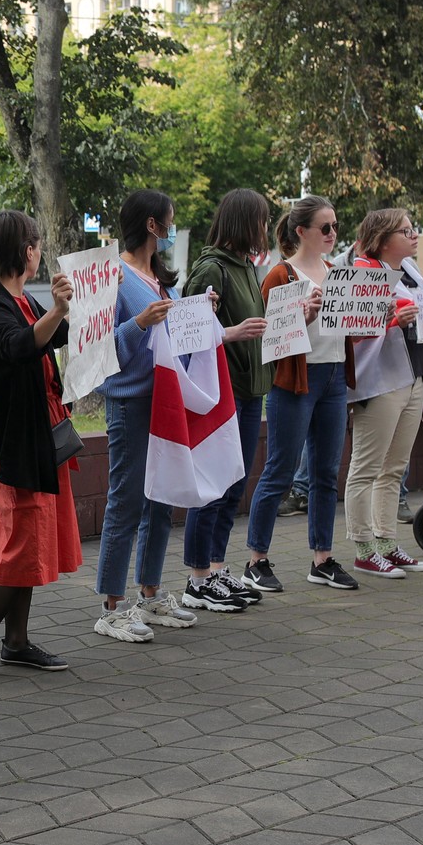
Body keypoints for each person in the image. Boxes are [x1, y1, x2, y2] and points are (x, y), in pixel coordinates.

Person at [0, 211, 81, 684]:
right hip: (14, 444)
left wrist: (75, 306)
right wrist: (55, 311)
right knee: (15, 546)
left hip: (37, 436)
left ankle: (17, 641)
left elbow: (55, 336)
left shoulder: (20, 297)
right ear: (23, 251)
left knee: (29, 543)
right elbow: (16, 346)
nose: (39, 249)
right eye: (35, 243)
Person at [241, 196, 358, 593]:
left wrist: (375, 312)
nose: (331, 234)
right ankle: (256, 560)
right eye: (324, 227)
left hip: (333, 377)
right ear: (300, 231)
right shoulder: (281, 275)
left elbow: (351, 328)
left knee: (326, 472)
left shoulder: (337, 272)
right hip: (294, 379)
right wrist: (303, 315)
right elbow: (269, 339)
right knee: (281, 470)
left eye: (335, 227)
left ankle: (321, 559)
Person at [93, 190, 191, 643]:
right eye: (170, 221)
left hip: (165, 401)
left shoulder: (162, 280)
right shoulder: (112, 278)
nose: (174, 227)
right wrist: (140, 323)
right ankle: (112, 605)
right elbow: (96, 351)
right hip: (131, 402)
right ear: (153, 225)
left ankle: (149, 593)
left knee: (160, 498)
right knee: (127, 500)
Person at [179, 190, 274, 612]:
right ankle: (197, 578)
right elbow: (190, 332)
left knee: (234, 483)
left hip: (249, 391)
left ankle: (216, 569)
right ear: (243, 223)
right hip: (222, 392)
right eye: (262, 220)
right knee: (213, 487)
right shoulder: (211, 268)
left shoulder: (246, 267)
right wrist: (234, 333)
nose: (266, 229)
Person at [344, 209, 423, 579]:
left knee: (394, 469)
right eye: (406, 231)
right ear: (382, 237)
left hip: (410, 377)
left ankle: (387, 543)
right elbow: (351, 328)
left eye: (414, 229)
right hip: (378, 381)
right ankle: (363, 549)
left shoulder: (409, 272)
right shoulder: (362, 270)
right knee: (366, 468)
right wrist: (395, 319)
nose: (414, 236)